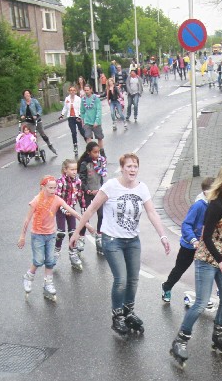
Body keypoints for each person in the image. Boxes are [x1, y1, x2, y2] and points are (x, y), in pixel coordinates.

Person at [74, 153, 171, 335]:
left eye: (135, 166)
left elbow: (152, 213)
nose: (132, 170)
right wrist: (77, 232)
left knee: (133, 280)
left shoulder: (142, 188)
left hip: (132, 240)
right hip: (112, 240)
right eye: (129, 166)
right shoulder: (111, 186)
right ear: (122, 168)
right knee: (121, 280)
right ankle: (117, 316)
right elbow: (92, 208)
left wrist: (163, 236)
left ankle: (128, 311)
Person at [169, 166, 222, 366]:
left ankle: (219, 335)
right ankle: (180, 341)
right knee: (201, 303)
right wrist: (220, 260)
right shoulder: (215, 206)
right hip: (207, 259)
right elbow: (206, 238)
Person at [17, 175, 86, 302]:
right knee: (38, 260)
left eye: (55, 188)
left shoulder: (57, 199)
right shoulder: (36, 200)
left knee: (50, 260)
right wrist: (22, 236)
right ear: (42, 187)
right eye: (50, 188)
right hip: (37, 235)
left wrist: (86, 224)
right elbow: (27, 219)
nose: (53, 190)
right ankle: (28, 276)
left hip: (50, 235)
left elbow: (73, 211)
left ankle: (48, 283)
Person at [161, 177, 215, 302]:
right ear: (206, 192)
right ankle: (167, 287)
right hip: (190, 246)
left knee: (205, 272)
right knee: (179, 269)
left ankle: (204, 298)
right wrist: (193, 240)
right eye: (215, 190)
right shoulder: (198, 206)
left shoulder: (214, 204)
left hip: (205, 246)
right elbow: (186, 225)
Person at [77, 142, 107, 256]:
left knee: (101, 215)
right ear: (89, 152)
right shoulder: (85, 164)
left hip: (98, 193)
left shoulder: (100, 162)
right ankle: (81, 239)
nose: (97, 154)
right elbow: (82, 180)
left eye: (98, 152)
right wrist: (88, 191)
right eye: (95, 152)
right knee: (86, 217)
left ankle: (99, 238)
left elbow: (101, 178)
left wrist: (101, 189)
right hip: (87, 194)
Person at [54, 159, 85, 269]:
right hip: (60, 210)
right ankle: (56, 253)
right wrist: (63, 209)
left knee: (73, 233)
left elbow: (80, 195)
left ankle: (73, 254)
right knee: (61, 233)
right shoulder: (60, 182)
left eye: (75, 169)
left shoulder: (78, 181)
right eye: (72, 169)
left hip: (71, 209)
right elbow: (56, 198)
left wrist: (83, 209)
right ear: (65, 170)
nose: (74, 171)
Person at [19, 89, 56, 155]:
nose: (27, 95)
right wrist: (22, 115)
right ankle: (36, 150)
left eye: (28, 93)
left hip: (37, 120)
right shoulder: (23, 102)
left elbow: (39, 108)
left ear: (30, 94)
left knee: (42, 134)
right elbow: (21, 109)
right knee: (33, 136)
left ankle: (49, 144)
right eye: (25, 94)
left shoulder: (34, 101)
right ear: (24, 96)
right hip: (29, 121)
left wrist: (37, 114)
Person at [60, 84, 89, 157]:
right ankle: (75, 145)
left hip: (78, 117)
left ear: (75, 91)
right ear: (69, 91)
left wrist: (80, 116)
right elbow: (65, 107)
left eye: (73, 90)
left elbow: (81, 108)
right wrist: (62, 114)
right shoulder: (67, 99)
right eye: (71, 90)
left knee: (82, 131)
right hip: (71, 117)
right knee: (73, 132)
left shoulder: (78, 99)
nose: (72, 92)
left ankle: (89, 144)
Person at [80, 84, 105, 150]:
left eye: (87, 90)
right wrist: (83, 121)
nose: (86, 92)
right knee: (88, 137)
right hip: (87, 122)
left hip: (96, 122)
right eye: (85, 90)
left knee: (99, 138)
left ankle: (101, 152)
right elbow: (82, 111)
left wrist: (97, 121)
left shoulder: (96, 99)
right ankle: (90, 152)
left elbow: (99, 110)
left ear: (91, 90)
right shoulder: (83, 99)